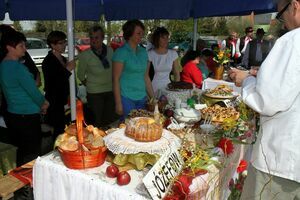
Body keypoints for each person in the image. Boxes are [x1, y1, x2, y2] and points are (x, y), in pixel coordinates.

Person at [229, 0, 300, 198]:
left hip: (281, 161)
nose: (282, 21)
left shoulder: (293, 40)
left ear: (295, 6)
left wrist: (246, 81)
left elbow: (267, 101)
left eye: (280, 13)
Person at [0, 31, 49, 166]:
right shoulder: (17, 68)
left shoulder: (3, 65)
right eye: (21, 46)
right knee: (31, 154)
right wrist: (44, 104)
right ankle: (30, 183)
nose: (25, 49)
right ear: (9, 47)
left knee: (21, 151)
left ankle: (21, 181)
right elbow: (33, 92)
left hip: (13, 114)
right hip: (27, 116)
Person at [112, 20, 154, 120]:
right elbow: (115, 79)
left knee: (141, 128)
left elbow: (146, 77)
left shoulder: (144, 52)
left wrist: (153, 98)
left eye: (142, 34)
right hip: (126, 98)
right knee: (128, 129)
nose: (141, 36)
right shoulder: (121, 52)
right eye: (138, 33)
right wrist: (118, 103)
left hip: (142, 98)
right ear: (130, 34)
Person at [77, 25, 117, 128]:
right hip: (94, 94)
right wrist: (91, 85)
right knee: (97, 123)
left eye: (96, 37)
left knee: (110, 121)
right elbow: (80, 75)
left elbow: (114, 70)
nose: (94, 40)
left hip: (110, 91)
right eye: (91, 37)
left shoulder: (110, 51)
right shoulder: (85, 55)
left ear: (102, 37)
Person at [42, 31, 75, 141]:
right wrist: (67, 70)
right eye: (61, 43)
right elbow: (53, 83)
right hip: (54, 101)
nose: (64, 45)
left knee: (66, 128)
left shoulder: (63, 59)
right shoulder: (48, 61)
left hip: (64, 99)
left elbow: (67, 81)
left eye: (65, 42)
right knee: (59, 130)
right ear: (53, 45)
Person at [147, 27, 180, 96]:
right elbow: (145, 75)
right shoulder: (150, 54)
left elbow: (176, 73)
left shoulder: (173, 54)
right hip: (153, 88)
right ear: (157, 39)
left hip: (169, 88)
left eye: (167, 38)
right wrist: (151, 95)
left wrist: (176, 89)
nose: (166, 40)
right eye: (163, 38)